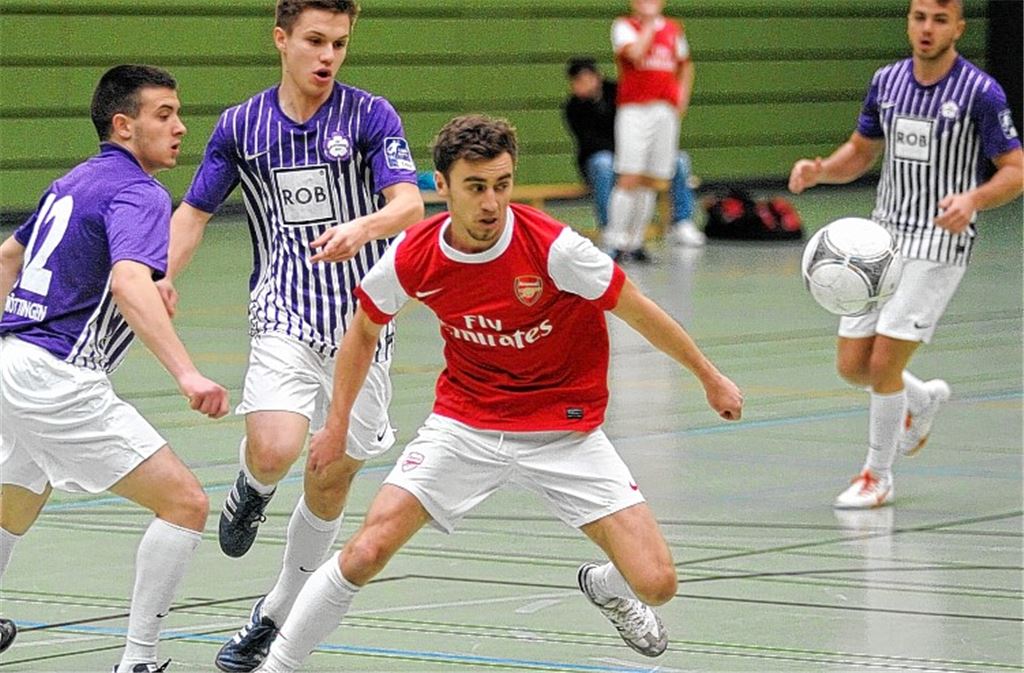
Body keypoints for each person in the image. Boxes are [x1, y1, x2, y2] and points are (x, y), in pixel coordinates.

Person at [253, 114, 744, 672]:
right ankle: (278, 666)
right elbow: (363, 329)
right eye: (476, 187)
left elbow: (637, 308)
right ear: (442, 186)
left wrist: (709, 376)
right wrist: (337, 424)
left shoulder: (554, 249)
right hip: (466, 424)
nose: (491, 203)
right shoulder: (417, 255)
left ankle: (605, 586)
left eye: (502, 185)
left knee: (656, 584)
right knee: (367, 550)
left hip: (564, 429)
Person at [156, 1, 423, 670]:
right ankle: (252, 485)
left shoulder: (369, 116)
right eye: (314, 40)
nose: (327, 55)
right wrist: (157, 277)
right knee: (276, 447)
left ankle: (272, 615)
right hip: (284, 310)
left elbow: (410, 203)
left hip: (363, 325)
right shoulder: (242, 127)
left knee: (329, 479)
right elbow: (193, 211)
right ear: (282, 40)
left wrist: (363, 228)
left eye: (339, 42)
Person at [0, 64, 230, 673]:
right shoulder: (140, 191)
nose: (181, 127)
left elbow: (7, 259)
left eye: (180, 113)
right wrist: (187, 374)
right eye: (164, 115)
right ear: (123, 125)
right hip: (57, 375)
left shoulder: (72, 181)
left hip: (11, 365)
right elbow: (129, 281)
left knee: (16, 500)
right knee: (185, 503)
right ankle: (138, 661)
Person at [789, 0, 1022, 509]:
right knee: (854, 367)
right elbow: (861, 150)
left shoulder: (981, 92)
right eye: (919, 17)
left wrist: (972, 200)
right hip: (882, 240)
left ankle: (878, 475)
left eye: (940, 20)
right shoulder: (887, 81)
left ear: (958, 27)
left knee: (885, 361)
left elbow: (1015, 170)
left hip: (940, 240)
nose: (927, 28)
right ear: (909, 21)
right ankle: (922, 398)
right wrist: (821, 169)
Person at [563, 56, 705, 248]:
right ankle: (610, 227)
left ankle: (682, 222)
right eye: (577, 82)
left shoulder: (621, 94)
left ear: (597, 76)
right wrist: (627, 157)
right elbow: (590, 143)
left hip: (637, 153)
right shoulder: (573, 108)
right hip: (606, 157)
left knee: (679, 160)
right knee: (603, 163)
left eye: (586, 78)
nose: (583, 85)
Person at [604, 0, 695, 262]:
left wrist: (681, 99)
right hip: (635, 109)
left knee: (651, 179)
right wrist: (648, 24)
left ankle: (636, 241)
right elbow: (635, 53)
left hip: (664, 111)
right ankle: (615, 239)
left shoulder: (673, 29)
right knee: (630, 176)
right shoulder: (624, 26)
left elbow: (685, 65)